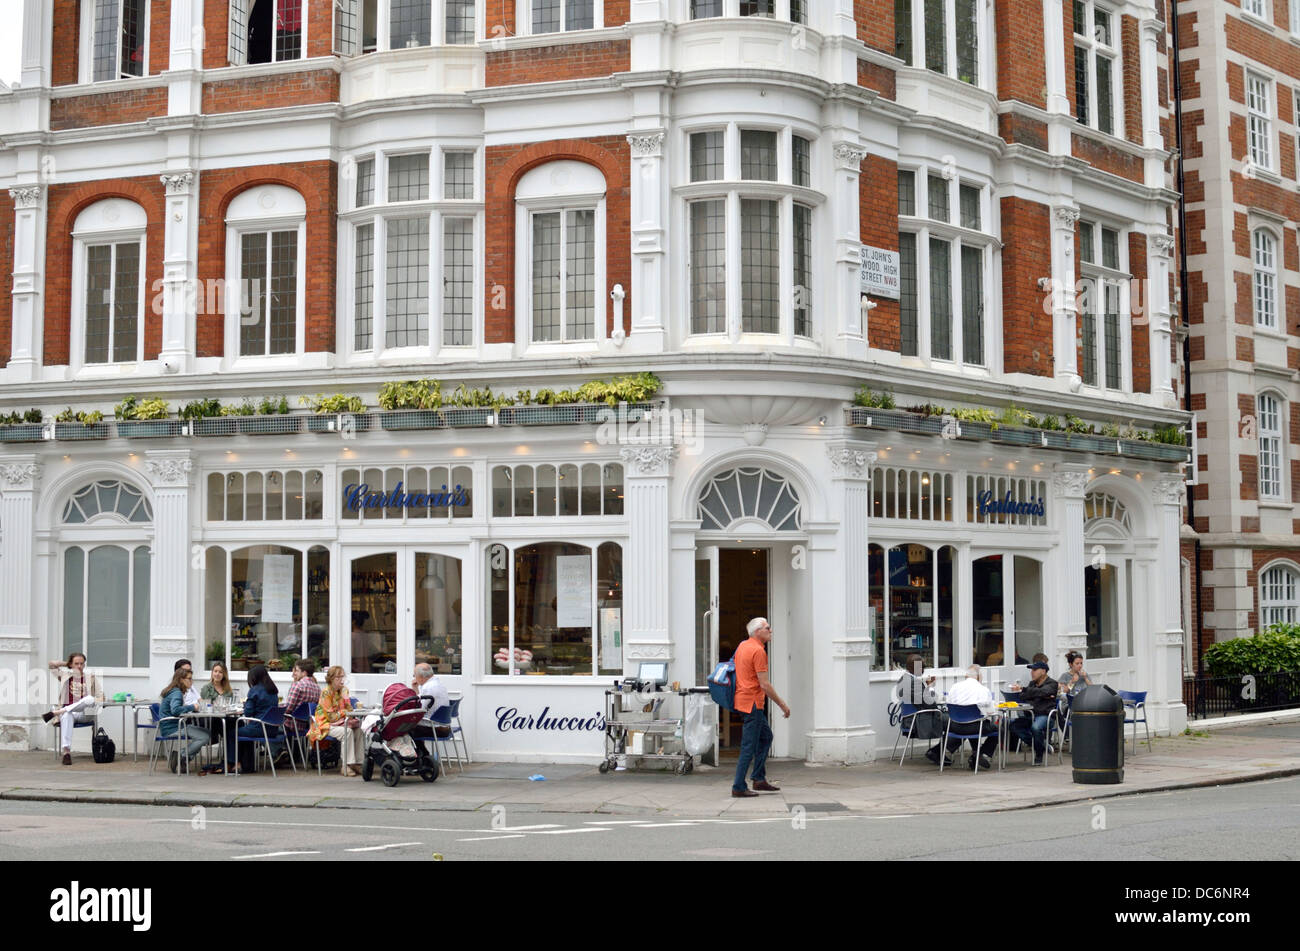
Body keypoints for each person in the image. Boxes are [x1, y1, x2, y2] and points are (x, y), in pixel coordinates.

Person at [731, 617, 790, 798]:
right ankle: (738, 786)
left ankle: (759, 778)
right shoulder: (758, 651)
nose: (770, 630)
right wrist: (782, 705)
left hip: (742, 701)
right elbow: (764, 685)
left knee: (766, 737)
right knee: (749, 746)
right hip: (753, 703)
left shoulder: (743, 646)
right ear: (758, 631)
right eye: (767, 628)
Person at [44, 653, 105, 765]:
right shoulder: (65, 676)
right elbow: (51, 665)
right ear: (71, 665)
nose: (79, 666)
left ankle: (57, 712)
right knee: (67, 714)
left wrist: (92, 700)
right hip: (70, 713)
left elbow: (101, 697)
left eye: (81, 663)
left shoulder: (90, 678)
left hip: (84, 713)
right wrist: (66, 663)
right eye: (76, 663)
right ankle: (66, 752)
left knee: (90, 699)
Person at [307, 665, 365, 777]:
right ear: (331, 679)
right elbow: (330, 717)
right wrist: (344, 712)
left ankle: (357, 763)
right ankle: (346, 765)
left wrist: (348, 708)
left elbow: (349, 709)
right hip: (324, 724)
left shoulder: (344, 690)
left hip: (340, 722)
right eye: (338, 678)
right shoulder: (326, 693)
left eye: (342, 677)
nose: (341, 680)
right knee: (346, 732)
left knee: (359, 730)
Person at [943, 665, 1000, 770]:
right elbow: (990, 712)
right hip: (974, 727)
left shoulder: (954, 687)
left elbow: (948, 704)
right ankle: (980, 754)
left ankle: (975, 754)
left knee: (971, 722)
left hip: (955, 727)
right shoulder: (982, 689)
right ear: (979, 676)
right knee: (998, 728)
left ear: (966, 675)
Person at [896, 653, 949, 765]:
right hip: (918, 721)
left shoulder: (903, 679)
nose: (924, 669)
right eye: (923, 666)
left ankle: (938, 752)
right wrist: (930, 688)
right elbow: (930, 705)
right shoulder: (913, 683)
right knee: (955, 723)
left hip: (909, 719)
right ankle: (936, 752)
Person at [229, 665, 282, 774]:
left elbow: (248, 713)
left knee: (231, 733)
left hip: (259, 728)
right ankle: (246, 764)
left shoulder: (254, 690)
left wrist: (247, 703)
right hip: (273, 730)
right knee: (244, 731)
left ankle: (234, 763)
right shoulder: (273, 690)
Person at [159, 668, 211, 773]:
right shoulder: (177, 693)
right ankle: (182, 755)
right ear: (181, 680)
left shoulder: (174, 691)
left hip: (174, 725)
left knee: (208, 733)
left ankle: (181, 758)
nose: (191, 682)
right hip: (172, 728)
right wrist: (192, 707)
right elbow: (175, 710)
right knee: (204, 737)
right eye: (189, 679)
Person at [1007, 661, 1060, 765]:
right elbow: (1023, 696)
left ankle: (1039, 754)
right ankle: (1042, 745)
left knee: (1035, 727)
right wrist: (1035, 694)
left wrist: (1027, 691)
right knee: (1013, 725)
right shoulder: (1032, 683)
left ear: (1043, 671)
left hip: (1046, 716)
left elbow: (1043, 691)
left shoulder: (1052, 683)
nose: (1032, 672)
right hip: (1031, 715)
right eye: (1031, 670)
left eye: (1035, 670)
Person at [281, 658, 322, 763]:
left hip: (292, 723)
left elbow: (289, 708)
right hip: (307, 724)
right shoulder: (317, 687)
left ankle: (279, 752)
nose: (295, 673)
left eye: (297, 671)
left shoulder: (298, 685)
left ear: (304, 673)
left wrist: (278, 709)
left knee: (269, 723)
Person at [411, 663, 452, 740]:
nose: (414, 678)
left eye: (414, 675)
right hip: (444, 727)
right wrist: (416, 689)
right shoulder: (438, 683)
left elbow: (419, 710)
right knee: (411, 726)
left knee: (403, 728)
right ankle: (422, 751)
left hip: (436, 729)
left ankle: (420, 752)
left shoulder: (428, 687)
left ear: (421, 677)